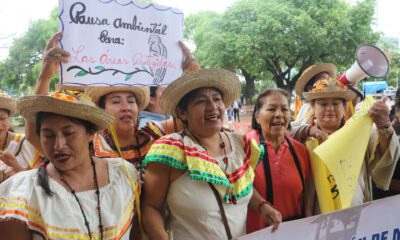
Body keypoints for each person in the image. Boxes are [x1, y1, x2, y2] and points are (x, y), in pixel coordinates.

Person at [141, 68, 281, 240]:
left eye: (217, 99)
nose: (212, 107)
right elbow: (150, 207)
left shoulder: (239, 144)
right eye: (201, 101)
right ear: (182, 113)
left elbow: (239, 184)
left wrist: (262, 205)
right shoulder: (171, 150)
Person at [0, 90, 141, 239]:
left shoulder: (123, 175)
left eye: (68, 133)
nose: (58, 145)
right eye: (48, 135)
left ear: (91, 133)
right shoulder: (23, 193)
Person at [302, 77, 399, 205]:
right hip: (315, 216)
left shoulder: (359, 134)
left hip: (357, 214)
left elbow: (384, 152)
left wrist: (384, 125)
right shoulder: (303, 138)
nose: (330, 108)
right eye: (323, 104)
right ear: (313, 107)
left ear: (345, 106)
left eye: (336, 103)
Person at [246, 88, 314, 233]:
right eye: (271, 109)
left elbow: (307, 192)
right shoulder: (243, 146)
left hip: (295, 232)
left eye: (284, 109)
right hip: (255, 234)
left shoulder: (301, 150)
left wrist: (308, 224)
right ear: (257, 116)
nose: (279, 114)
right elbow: (233, 192)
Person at [0, 88, 41, 183]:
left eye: (1, 118)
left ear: (9, 119)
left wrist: (17, 168)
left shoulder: (26, 143)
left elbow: (43, 181)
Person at [291, 63, 337, 127]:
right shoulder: (306, 107)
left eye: (328, 78)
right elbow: (297, 123)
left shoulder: (335, 105)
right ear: (310, 88)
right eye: (322, 79)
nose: (327, 82)